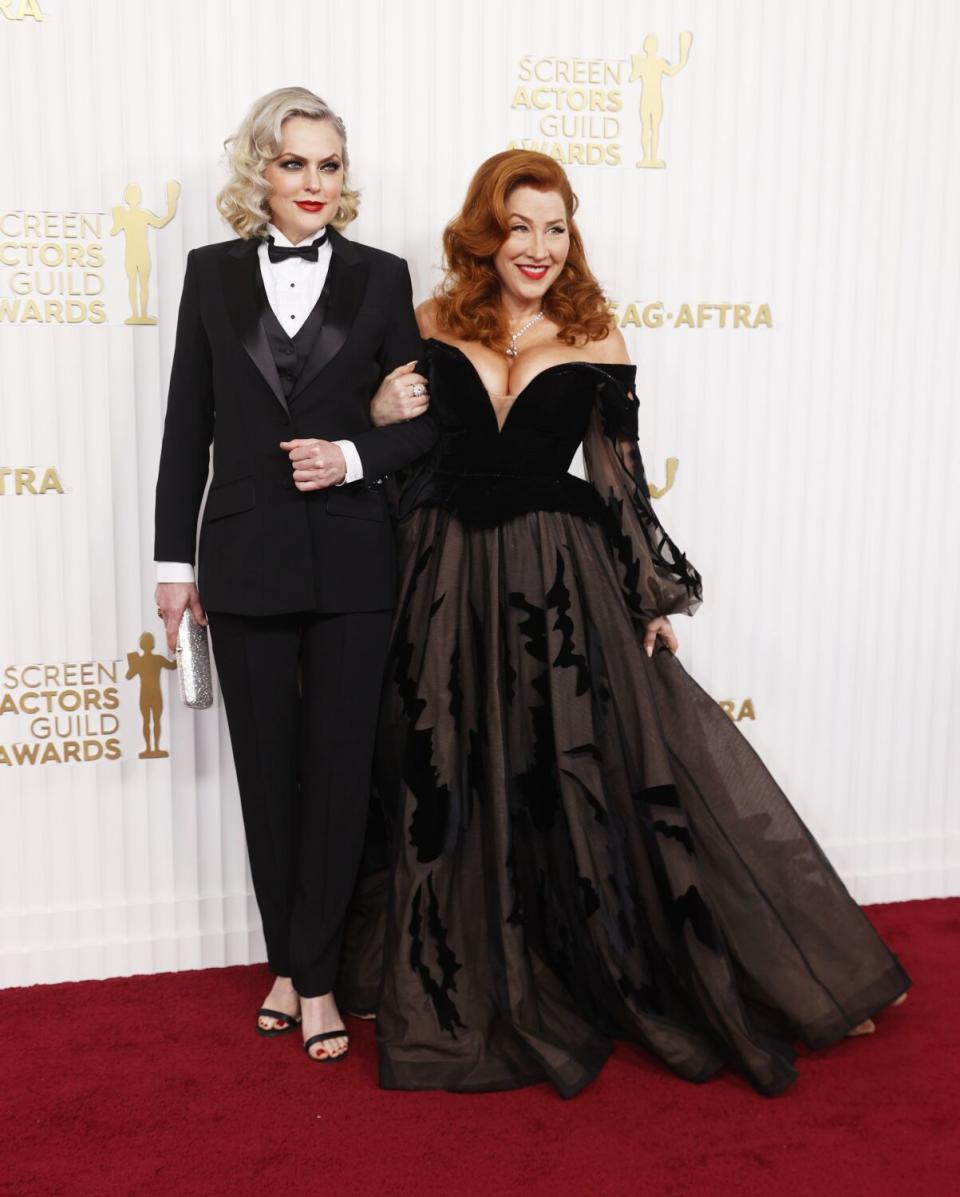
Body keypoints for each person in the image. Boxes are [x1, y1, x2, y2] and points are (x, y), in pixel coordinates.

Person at [344, 150, 910, 1097]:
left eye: (556, 227)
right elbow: (400, 454)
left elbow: (620, 481)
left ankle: (749, 966)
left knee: (592, 768)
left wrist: (648, 593)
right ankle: (451, 964)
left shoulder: (596, 334)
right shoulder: (430, 322)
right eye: (519, 226)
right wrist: (370, 410)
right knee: (441, 765)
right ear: (485, 233)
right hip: (439, 574)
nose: (538, 247)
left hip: (556, 580)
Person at [153, 87, 435, 1064]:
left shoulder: (384, 278)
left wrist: (355, 454)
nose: (313, 183)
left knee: (339, 776)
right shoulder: (207, 275)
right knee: (268, 781)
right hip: (242, 557)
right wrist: (170, 563)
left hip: (356, 560)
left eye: (327, 164)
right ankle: (289, 962)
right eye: (293, 163)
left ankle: (313, 978)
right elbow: (188, 424)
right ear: (260, 174)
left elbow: (429, 425)